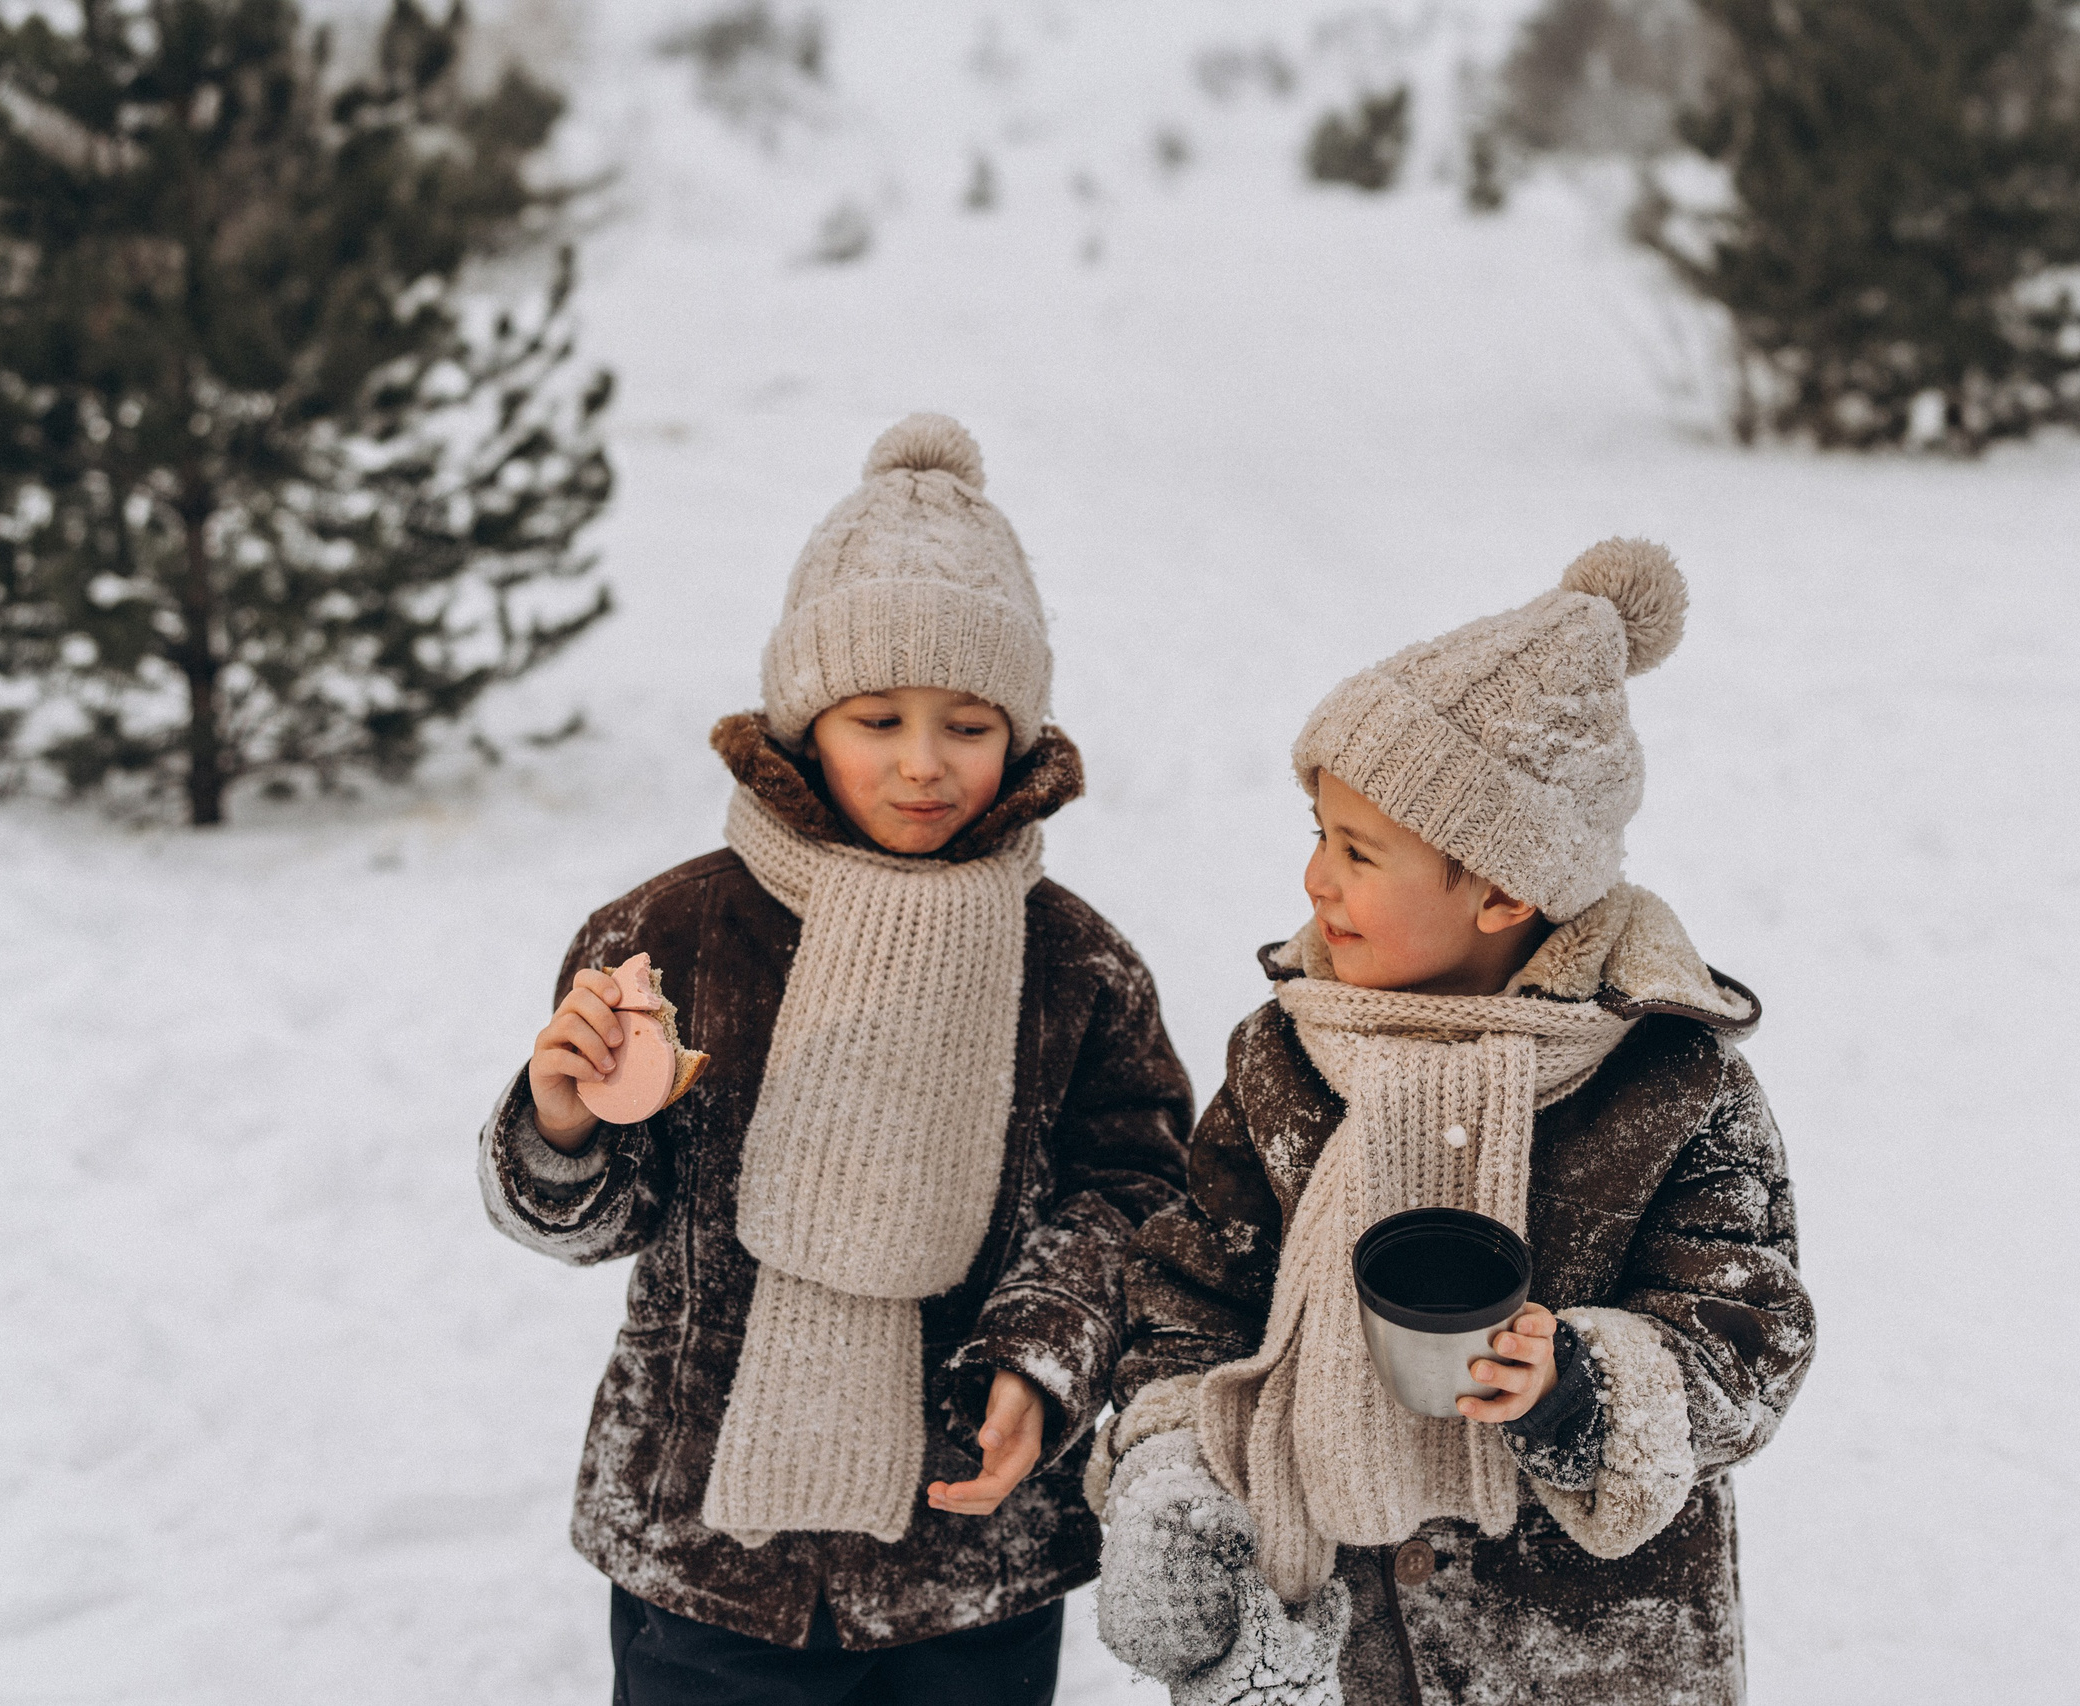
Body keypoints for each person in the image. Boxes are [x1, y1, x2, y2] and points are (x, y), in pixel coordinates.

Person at [479, 414, 1191, 1706]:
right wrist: (562, 1123)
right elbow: (590, 1220)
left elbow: (1138, 1192)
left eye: (967, 723)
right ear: (809, 722)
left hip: (966, 1544)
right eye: (878, 717)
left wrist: (1044, 1354)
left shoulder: (1074, 964)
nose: (923, 763)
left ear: (1018, 734)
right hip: (707, 1548)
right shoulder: (674, 932)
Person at [1090, 540, 1816, 1705]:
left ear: (1500, 888)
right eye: (1318, 832)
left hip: (1578, 1647)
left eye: (1359, 850)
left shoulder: (1667, 1083)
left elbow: (1747, 1332)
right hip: (1342, 1630)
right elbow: (1191, 1283)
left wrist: (1579, 1386)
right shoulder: (1286, 1054)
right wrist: (1174, 1464)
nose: (1316, 878)